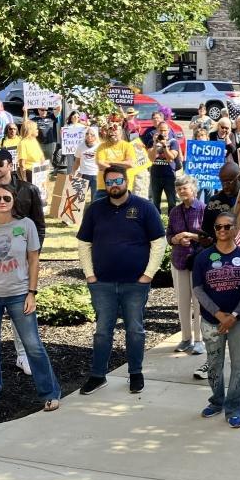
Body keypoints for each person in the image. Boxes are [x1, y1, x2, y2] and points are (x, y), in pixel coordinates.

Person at [0, 183, 61, 411]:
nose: (2, 202)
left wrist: (32, 293)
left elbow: (33, 260)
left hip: (19, 294)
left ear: (13, 201)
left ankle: (50, 392)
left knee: (33, 344)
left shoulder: (26, 225)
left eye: (6, 198)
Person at [77, 165, 168, 396]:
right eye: (109, 182)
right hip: (102, 284)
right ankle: (98, 376)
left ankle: (135, 373)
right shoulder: (95, 209)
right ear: (104, 184)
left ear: (126, 181)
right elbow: (84, 243)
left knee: (135, 330)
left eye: (118, 181)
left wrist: (147, 275)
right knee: (102, 331)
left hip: (135, 284)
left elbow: (159, 242)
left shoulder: (144, 207)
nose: (114, 186)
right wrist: (90, 275)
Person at [192, 211, 240, 428]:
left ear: (235, 229)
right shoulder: (203, 257)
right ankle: (217, 400)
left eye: (227, 226)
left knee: (239, 365)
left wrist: (235, 315)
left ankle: (235, 408)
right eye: (218, 227)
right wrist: (219, 314)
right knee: (213, 364)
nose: (222, 230)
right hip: (212, 320)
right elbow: (198, 290)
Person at [168, 174, 208, 357]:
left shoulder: (203, 209)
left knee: (198, 302)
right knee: (182, 301)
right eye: (179, 189)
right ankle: (186, 338)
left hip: (198, 261)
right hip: (179, 261)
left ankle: (200, 340)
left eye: (185, 187)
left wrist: (189, 235)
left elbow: (209, 237)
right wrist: (176, 239)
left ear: (194, 189)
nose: (182, 191)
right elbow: (168, 235)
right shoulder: (175, 211)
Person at [145, 121, 181, 212]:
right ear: (157, 130)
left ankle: (172, 222)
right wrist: (154, 144)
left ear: (168, 131)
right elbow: (151, 158)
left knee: (171, 202)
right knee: (155, 202)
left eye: (165, 130)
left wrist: (165, 146)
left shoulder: (173, 142)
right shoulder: (151, 142)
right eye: (161, 130)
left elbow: (171, 158)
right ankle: (156, 222)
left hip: (169, 176)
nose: (163, 133)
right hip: (155, 176)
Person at [71, 127, 101, 201]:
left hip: (96, 176)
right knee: (78, 199)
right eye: (87, 134)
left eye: (92, 134)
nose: (89, 136)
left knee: (95, 199)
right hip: (83, 175)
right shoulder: (81, 146)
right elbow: (77, 161)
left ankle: (93, 212)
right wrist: (73, 172)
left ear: (96, 136)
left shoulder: (100, 147)